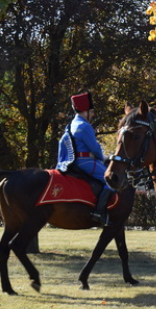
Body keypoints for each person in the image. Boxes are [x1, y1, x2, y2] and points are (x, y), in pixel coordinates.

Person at [56, 91, 114, 226]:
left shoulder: (71, 125)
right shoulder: (85, 126)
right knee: (110, 180)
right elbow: (94, 148)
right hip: (86, 162)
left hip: (73, 161)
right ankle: (99, 212)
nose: (93, 115)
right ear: (85, 111)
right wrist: (103, 157)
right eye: (91, 112)